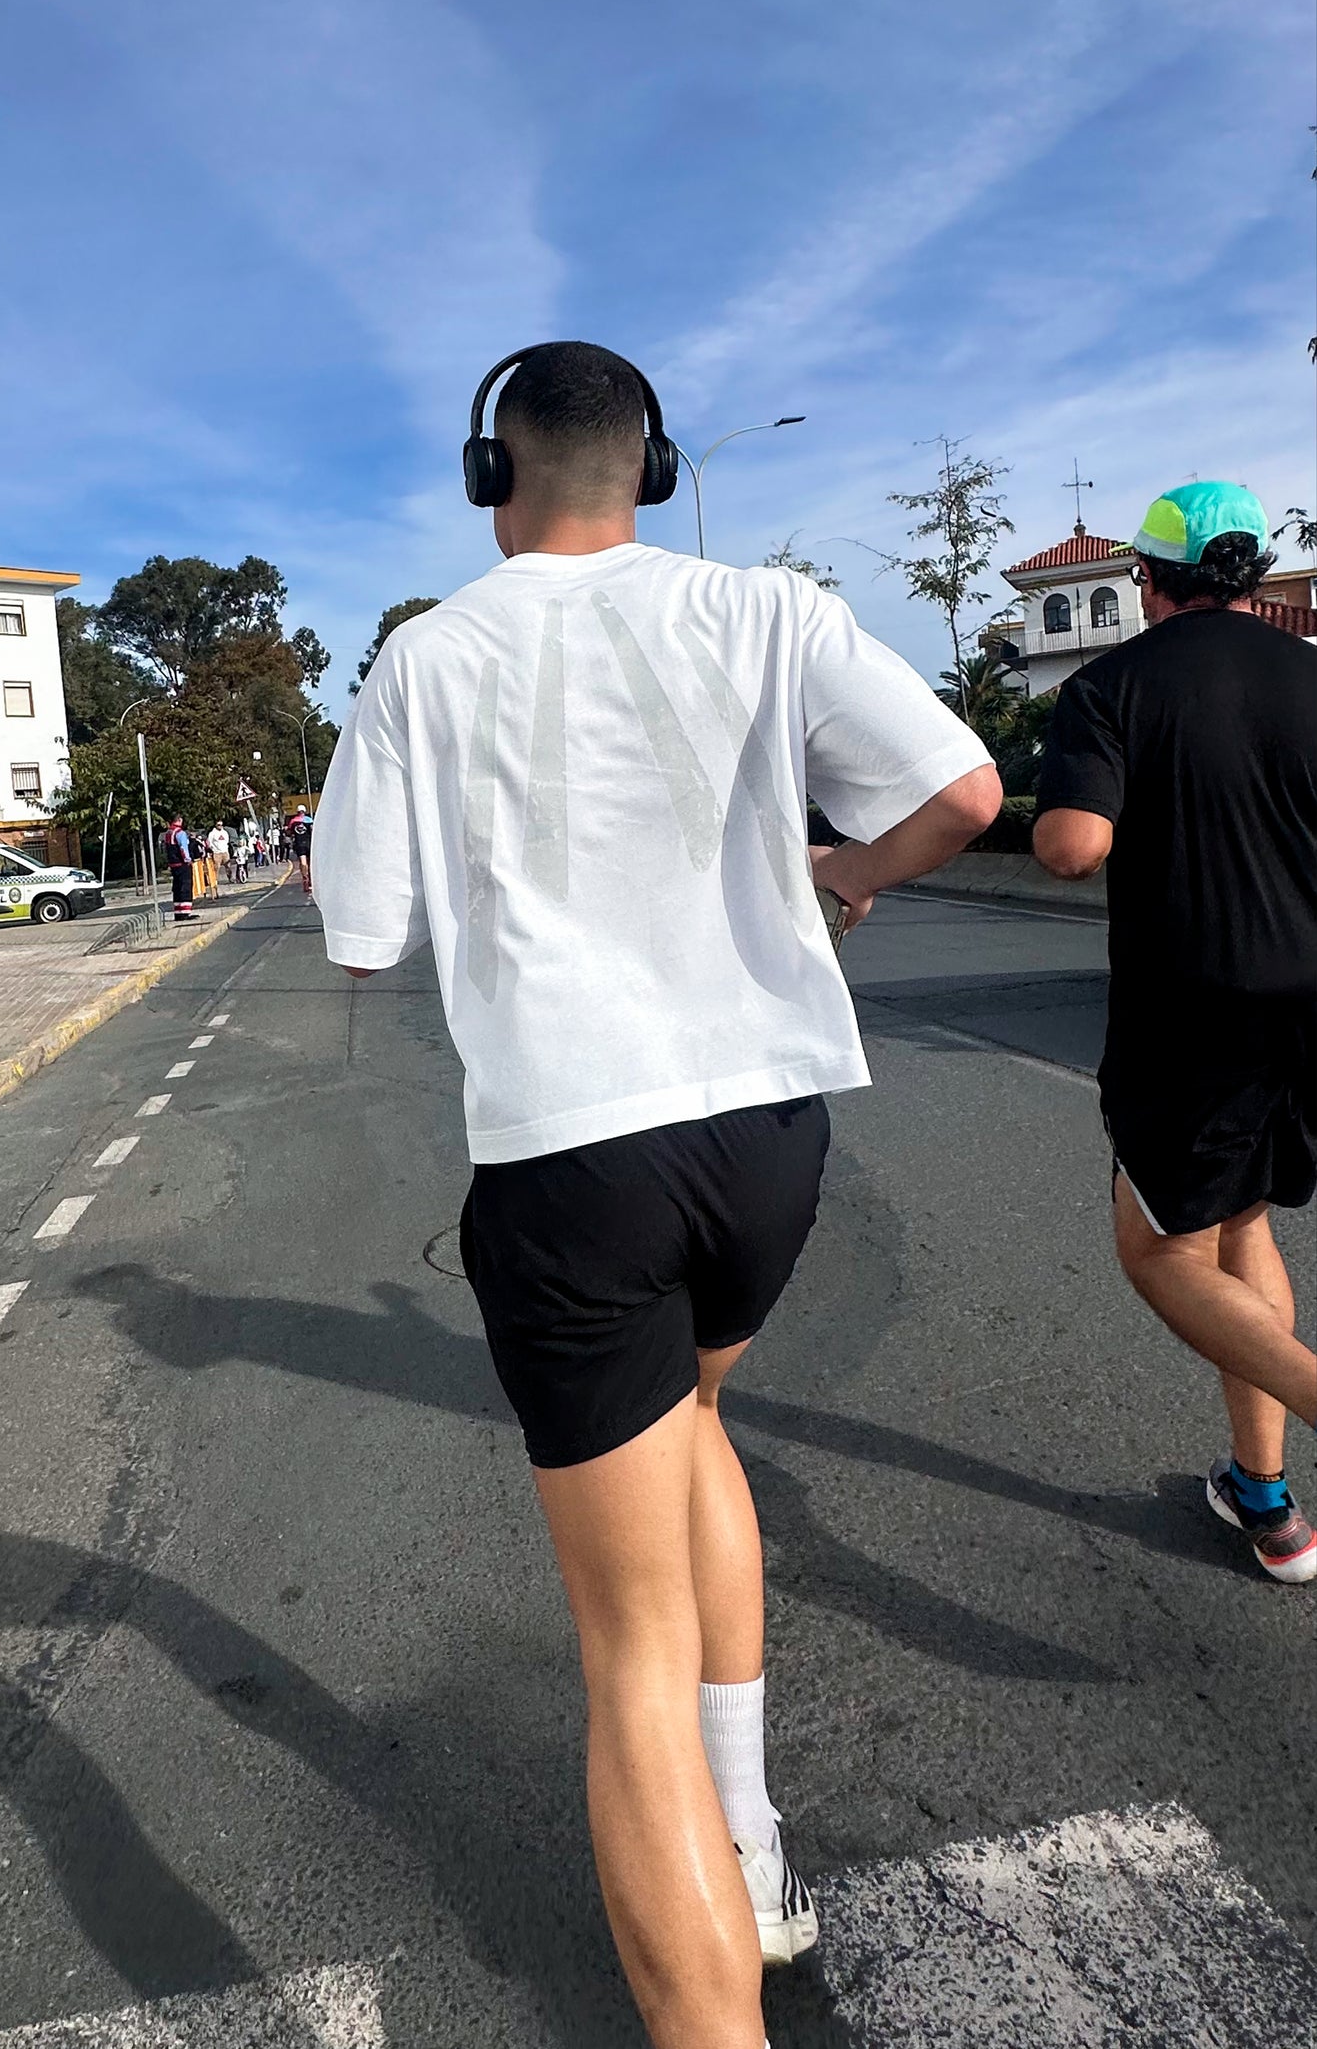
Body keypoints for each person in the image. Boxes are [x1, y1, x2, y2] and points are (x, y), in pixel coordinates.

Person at [312, 341, 1000, 2049]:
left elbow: (360, 931)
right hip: (769, 1137)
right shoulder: (768, 610)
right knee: (698, 1429)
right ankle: (752, 1849)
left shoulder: (423, 656)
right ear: (658, 468)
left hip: (574, 1152)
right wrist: (844, 866)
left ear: (495, 479)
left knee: (625, 1652)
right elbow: (969, 793)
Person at [1033, 481, 1317, 1585]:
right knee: (1242, 1229)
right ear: (1248, 576)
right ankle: (1264, 1500)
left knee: (1157, 1254)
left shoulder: (1108, 688)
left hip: (1193, 1015)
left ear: (1145, 582)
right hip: (1310, 1008)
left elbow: (1064, 848)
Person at [163, 814, 196, 923]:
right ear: (180, 820)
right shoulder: (180, 833)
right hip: (182, 864)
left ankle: (178, 913)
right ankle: (185, 913)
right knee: (185, 887)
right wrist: (188, 859)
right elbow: (183, 848)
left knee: (177, 888)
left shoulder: (168, 833)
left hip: (173, 864)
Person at [285, 804, 314, 894]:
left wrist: (287, 830)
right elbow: (313, 831)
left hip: (299, 844)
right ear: (304, 811)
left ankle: (305, 880)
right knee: (310, 864)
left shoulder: (293, 821)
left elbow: (288, 832)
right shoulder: (309, 820)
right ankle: (311, 881)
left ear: (297, 812)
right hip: (309, 844)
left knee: (303, 863)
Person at [206, 820, 231, 891]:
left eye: (221, 825)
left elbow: (227, 841)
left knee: (228, 866)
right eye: (219, 825)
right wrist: (213, 849)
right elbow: (209, 842)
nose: (220, 826)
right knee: (216, 867)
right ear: (216, 825)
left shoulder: (225, 833)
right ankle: (215, 880)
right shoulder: (212, 833)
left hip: (225, 851)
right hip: (217, 853)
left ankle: (230, 878)